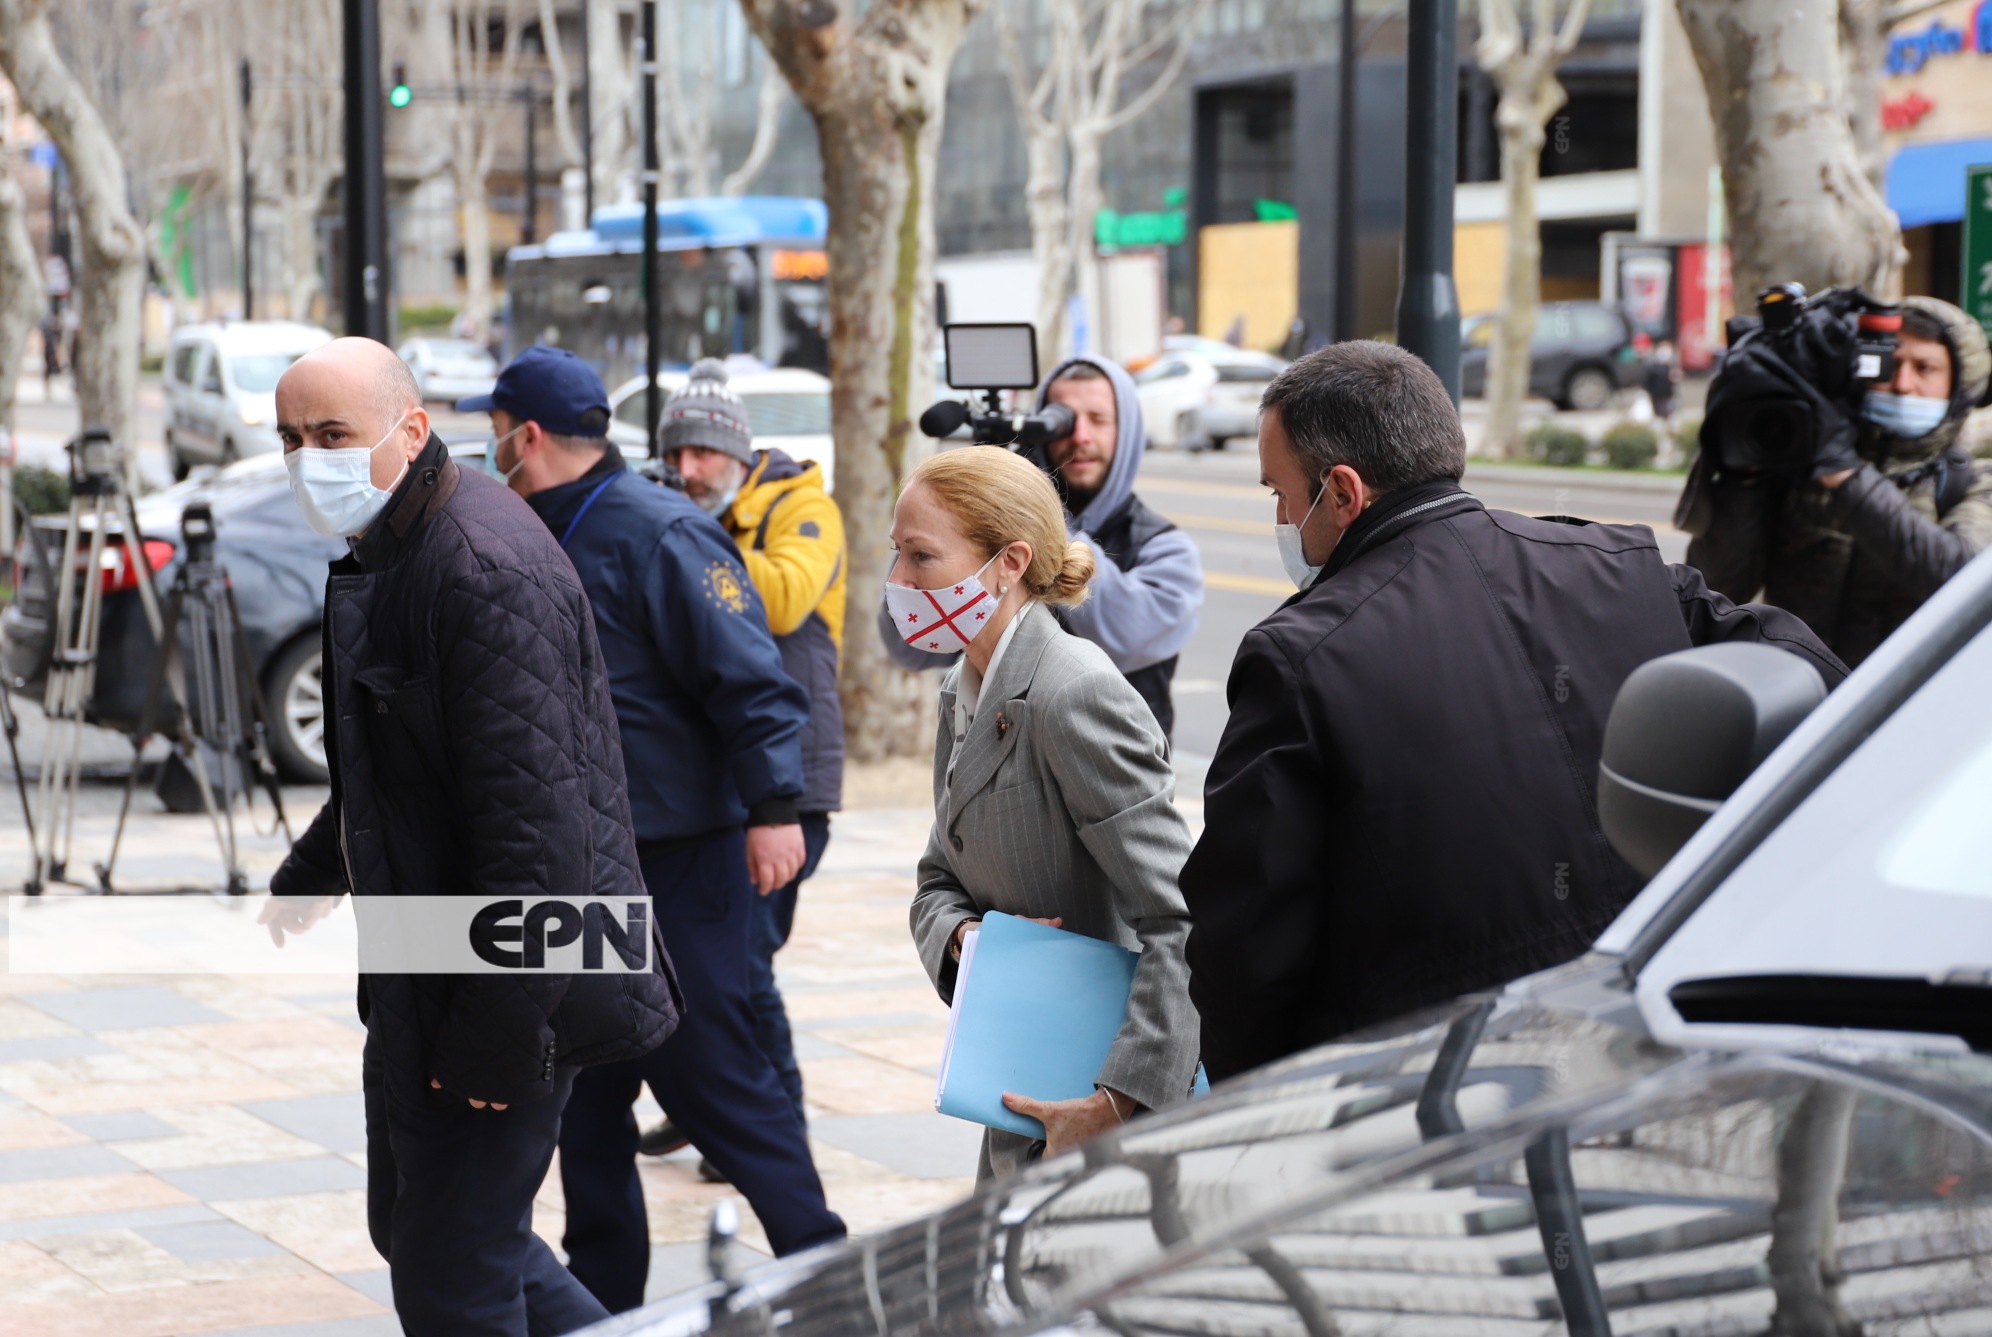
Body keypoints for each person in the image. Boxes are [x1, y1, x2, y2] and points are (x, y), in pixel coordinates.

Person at [1182, 341, 1845, 1082]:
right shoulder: (1625, 568)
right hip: (1657, 1045)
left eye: (1279, 493)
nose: (1280, 516)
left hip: (1428, 1084)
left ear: (1343, 492)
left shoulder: (1298, 655)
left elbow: (1248, 946)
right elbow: (1824, 685)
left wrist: (1258, 1098)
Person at [263, 338, 679, 1337]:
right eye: (290, 438)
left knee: (453, 1274)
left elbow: (539, 839)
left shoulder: (480, 567)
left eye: (332, 433)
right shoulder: (394, 543)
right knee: (434, 1235)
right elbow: (400, 758)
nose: (308, 458)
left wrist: (499, 1040)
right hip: (437, 959)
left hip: (509, 977)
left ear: (411, 430)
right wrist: (315, 867)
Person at [459, 346, 845, 1313]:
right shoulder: (528, 526)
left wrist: (774, 808)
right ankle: (605, 1303)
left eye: (496, 429)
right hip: (580, 861)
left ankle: (822, 1263)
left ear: (527, 435)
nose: (489, 446)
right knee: (587, 1096)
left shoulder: (661, 531)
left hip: (678, 860)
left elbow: (752, 682)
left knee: (716, 1073)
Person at [897, 446, 1200, 1182]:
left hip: (1096, 1119)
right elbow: (938, 878)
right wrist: (968, 937)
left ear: (1009, 563)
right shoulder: (963, 686)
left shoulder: (1073, 692)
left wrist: (1117, 1102)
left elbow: (1183, 916)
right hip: (1021, 1099)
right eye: (896, 552)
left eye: (921, 555)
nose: (898, 580)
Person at [637, 359, 846, 1172]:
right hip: (709, 780)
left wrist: (677, 540)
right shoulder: (683, 513)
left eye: (703, 453)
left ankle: (776, 1134)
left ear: (738, 452)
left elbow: (787, 596)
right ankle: (704, 1105)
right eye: (675, 454)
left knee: (745, 965)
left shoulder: (802, 505)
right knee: (695, 961)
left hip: (789, 783)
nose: (687, 469)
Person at [883, 355, 1204, 740]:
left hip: (1105, 750)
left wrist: (1021, 508)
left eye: (1098, 419)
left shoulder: (1167, 548)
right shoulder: (991, 531)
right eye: (1063, 420)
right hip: (992, 751)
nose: (1080, 436)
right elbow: (908, 646)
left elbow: (1127, 635)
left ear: (1129, 432)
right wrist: (953, 521)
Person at [1681, 295, 1992, 667]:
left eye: (1925, 368)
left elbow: (1962, 582)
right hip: (1796, 689)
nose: (1903, 384)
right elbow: (1716, 590)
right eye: (1890, 364)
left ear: (1962, 386)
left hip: (1902, 696)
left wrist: (1846, 476)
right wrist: (1744, 484)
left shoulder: (1973, 483)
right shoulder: (1801, 468)